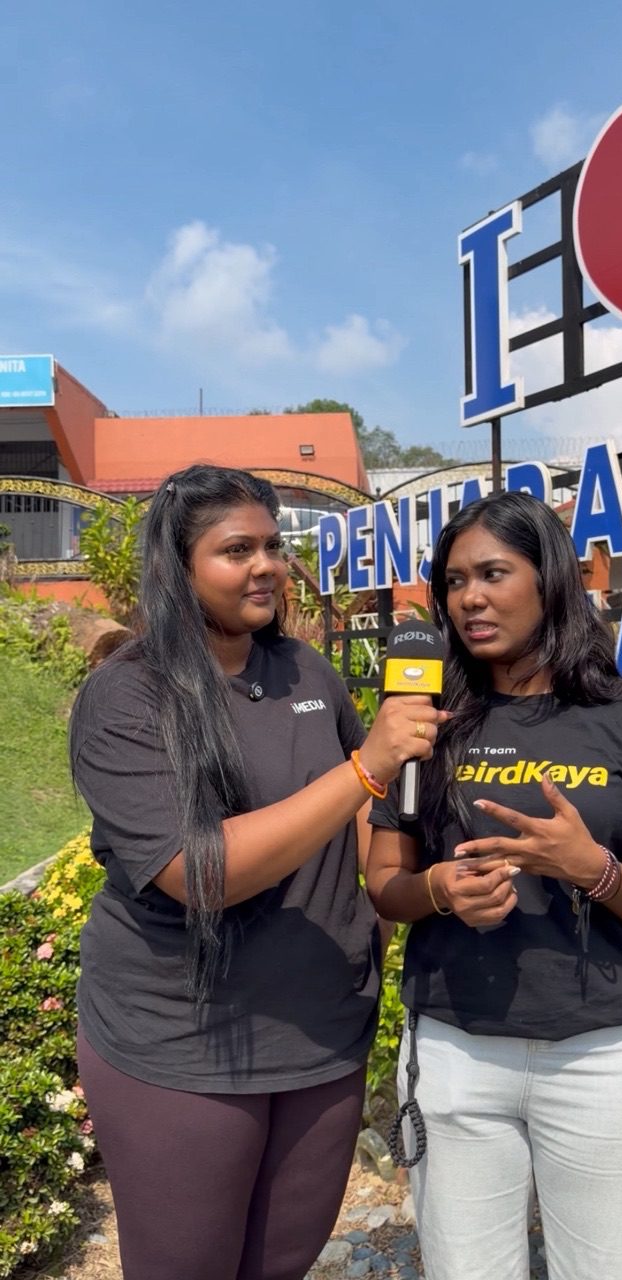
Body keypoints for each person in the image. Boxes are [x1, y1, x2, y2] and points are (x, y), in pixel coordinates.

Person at [69, 463, 446, 1280]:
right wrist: (364, 770)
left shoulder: (303, 671)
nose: (265, 565)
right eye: (236, 549)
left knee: (280, 1262)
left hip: (321, 1028)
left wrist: (385, 900)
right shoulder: (128, 697)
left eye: (273, 545)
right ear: (178, 567)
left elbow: (360, 812)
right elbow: (198, 873)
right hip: (183, 1043)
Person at [366, 490, 622, 1280]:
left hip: (601, 1057)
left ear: (548, 579)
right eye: (453, 580)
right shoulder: (425, 720)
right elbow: (385, 882)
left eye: (492, 572)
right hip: (454, 1050)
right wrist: (440, 891)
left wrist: (592, 869)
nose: (469, 597)